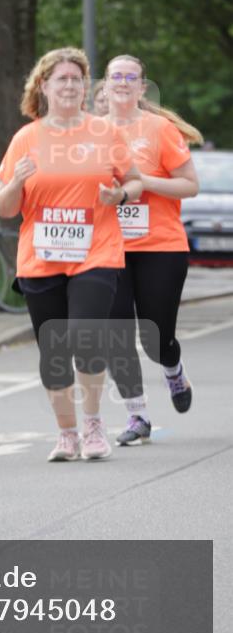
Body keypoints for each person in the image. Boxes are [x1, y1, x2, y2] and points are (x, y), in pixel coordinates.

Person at [0, 47, 142, 462]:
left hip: (96, 250)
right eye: (61, 79)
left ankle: (93, 424)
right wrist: (15, 183)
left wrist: (120, 194)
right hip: (41, 256)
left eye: (77, 79)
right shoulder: (26, 138)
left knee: (87, 336)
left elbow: (134, 183)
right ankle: (67, 434)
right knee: (54, 349)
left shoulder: (105, 133)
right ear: (44, 86)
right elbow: (5, 208)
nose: (70, 86)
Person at [103, 55, 201, 445]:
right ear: (105, 86)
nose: (123, 82)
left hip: (161, 245)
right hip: (109, 248)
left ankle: (173, 369)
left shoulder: (158, 129)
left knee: (157, 338)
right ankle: (137, 415)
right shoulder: (92, 131)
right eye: (116, 76)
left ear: (142, 87)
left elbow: (189, 185)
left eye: (131, 77)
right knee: (116, 336)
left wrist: (143, 181)